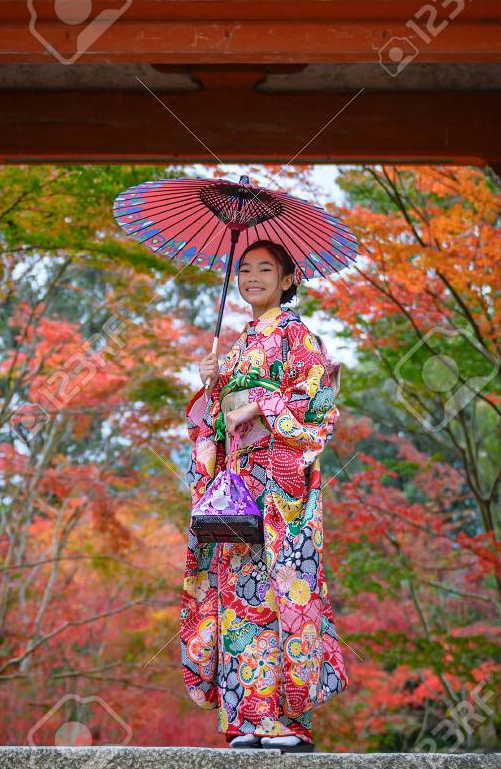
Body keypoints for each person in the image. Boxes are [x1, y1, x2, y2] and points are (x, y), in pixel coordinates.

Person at [179, 240, 349, 753]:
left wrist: (259, 407)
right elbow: (211, 426)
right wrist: (210, 388)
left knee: (279, 598)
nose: (252, 277)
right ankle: (249, 719)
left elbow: (318, 407)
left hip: (280, 490)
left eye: (265, 269)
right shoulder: (236, 345)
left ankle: (288, 723)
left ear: (288, 278)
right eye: (245, 268)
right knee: (237, 600)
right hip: (237, 487)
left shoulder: (297, 336)